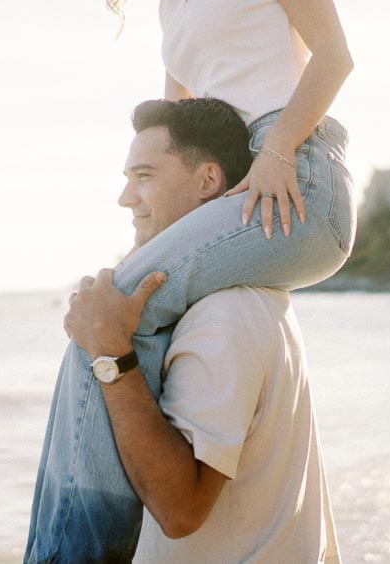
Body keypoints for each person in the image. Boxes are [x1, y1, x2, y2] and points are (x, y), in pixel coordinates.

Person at [25, 0, 356, 562]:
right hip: (238, 187)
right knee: (107, 316)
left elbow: (334, 55)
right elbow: (180, 128)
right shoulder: (176, 4)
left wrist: (276, 148)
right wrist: (150, 206)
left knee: (108, 324)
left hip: (297, 180)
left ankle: (73, 553)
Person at [63, 98, 340, 562]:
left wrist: (110, 354)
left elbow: (180, 510)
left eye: (144, 176)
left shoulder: (223, 315)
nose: (125, 198)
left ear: (208, 181)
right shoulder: (258, 296)